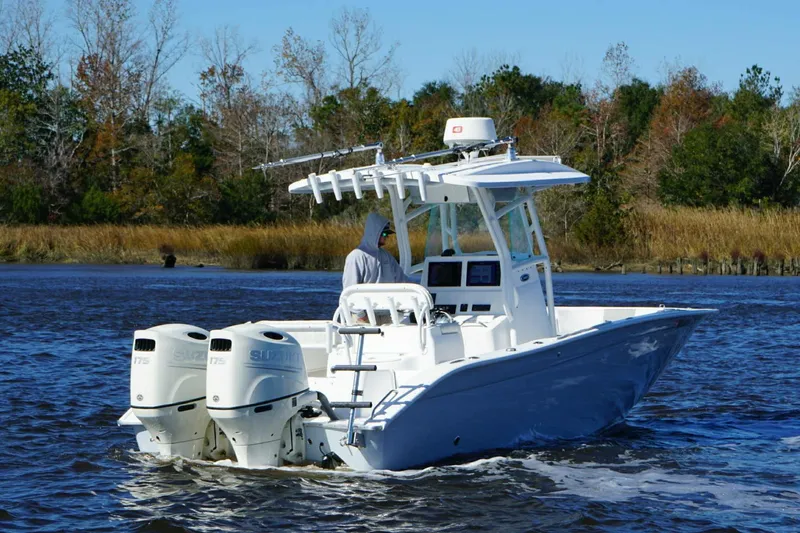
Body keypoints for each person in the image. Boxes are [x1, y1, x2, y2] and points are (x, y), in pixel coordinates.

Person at [342, 212, 409, 289]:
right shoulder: (356, 257)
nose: (387, 237)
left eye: (387, 234)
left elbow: (403, 281)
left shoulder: (387, 256)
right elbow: (350, 290)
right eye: (384, 234)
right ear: (375, 232)